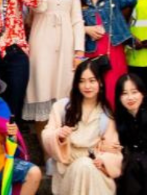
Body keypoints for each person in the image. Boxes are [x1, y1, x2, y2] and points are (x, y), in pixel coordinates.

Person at [24, 0, 85, 139]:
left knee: (64, 93)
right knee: (41, 90)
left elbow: (76, 17)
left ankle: (61, 146)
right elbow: (37, 7)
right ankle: (46, 151)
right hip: (42, 40)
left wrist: (79, 51)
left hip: (66, 42)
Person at [42, 61, 122, 195]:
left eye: (92, 81)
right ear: (76, 84)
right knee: (83, 166)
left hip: (95, 170)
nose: (87, 86)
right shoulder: (62, 107)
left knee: (85, 165)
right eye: (82, 81)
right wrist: (58, 135)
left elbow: (113, 149)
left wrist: (103, 160)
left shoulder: (106, 115)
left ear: (100, 82)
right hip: (67, 170)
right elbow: (47, 134)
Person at [80, 0, 137, 109]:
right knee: (91, 98)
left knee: (113, 96)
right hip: (89, 54)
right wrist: (86, 29)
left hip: (113, 53)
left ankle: (113, 132)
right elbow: (70, 24)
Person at [114, 73, 147, 195]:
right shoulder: (118, 119)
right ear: (118, 97)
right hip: (135, 171)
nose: (130, 97)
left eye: (134, 92)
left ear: (142, 93)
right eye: (124, 93)